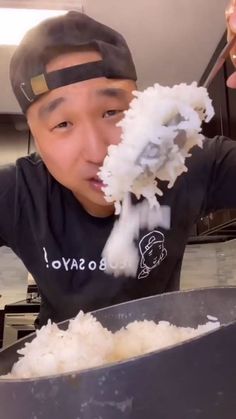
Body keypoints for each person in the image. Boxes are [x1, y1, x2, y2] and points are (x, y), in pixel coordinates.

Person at [1, 9, 236, 328]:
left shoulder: (185, 161)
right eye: (62, 123)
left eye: (112, 111)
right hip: (57, 367)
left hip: (158, 358)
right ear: (37, 141)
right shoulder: (17, 192)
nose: (99, 152)